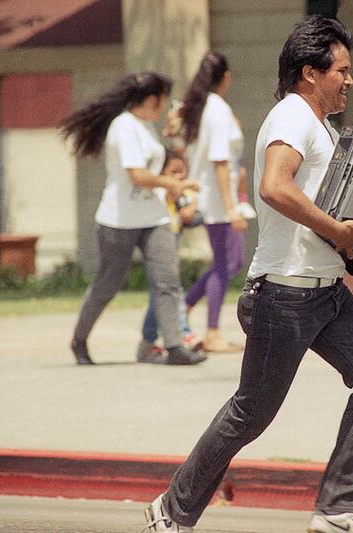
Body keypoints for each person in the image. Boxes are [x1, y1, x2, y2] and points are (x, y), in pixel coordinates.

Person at [143, 15, 353, 533]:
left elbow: (337, 203)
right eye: (341, 70)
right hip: (283, 295)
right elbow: (273, 186)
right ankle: (172, 511)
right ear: (309, 73)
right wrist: (338, 230)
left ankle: (334, 509)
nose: (350, 80)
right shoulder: (292, 115)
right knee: (251, 412)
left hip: (328, 292)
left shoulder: (322, 127)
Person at [61, 72, 206, 366]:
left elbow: (154, 166)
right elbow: (137, 176)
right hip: (118, 220)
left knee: (167, 280)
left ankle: (175, 346)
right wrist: (174, 186)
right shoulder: (124, 127)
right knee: (108, 284)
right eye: (163, 99)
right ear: (153, 99)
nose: (165, 105)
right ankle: (79, 339)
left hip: (154, 218)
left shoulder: (146, 126)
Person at [180, 51, 247, 353]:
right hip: (219, 200)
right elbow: (220, 160)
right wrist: (231, 206)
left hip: (212, 196)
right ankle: (212, 331)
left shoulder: (204, 108)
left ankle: (184, 309)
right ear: (227, 78)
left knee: (228, 262)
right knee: (227, 263)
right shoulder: (217, 110)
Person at [137, 149, 201, 361]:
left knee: (164, 292)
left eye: (182, 172)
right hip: (158, 244)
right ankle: (181, 334)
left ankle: (151, 339)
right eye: (173, 172)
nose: (179, 177)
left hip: (171, 243)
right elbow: (170, 193)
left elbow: (194, 200)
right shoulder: (158, 192)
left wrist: (191, 208)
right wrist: (180, 186)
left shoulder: (180, 190)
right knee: (170, 290)